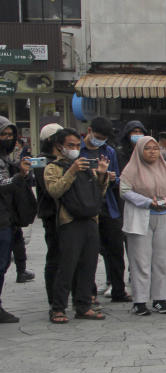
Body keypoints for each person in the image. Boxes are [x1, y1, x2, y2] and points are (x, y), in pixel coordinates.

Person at [45, 128, 111, 323]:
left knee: (88, 266)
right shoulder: (53, 168)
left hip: (90, 220)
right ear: (59, 146)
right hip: (69, 222)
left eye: (77, 145)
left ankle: (83, 305)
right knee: (67, 266)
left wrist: (101, 175)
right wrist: (71, 172)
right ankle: (58, 307)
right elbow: (55, 191)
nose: (75, 149)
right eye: (70, 145)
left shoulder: (86, 167)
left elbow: (98, 194)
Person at [119, 137, 166, 316]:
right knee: (140, 261)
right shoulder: (131, 170)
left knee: (163, 260)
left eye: (155, 148)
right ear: (139, 151)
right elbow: (124, 191)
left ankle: (160, 299)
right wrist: (147, 202)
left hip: (164, 216)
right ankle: (140, 301)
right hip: (141, 218)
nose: (153, 152)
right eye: (147, 149)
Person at [82, 117, 130, 303]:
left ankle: (118, 289)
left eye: (104, 137)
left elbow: (118, 179)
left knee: (116, 250)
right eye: (98, 136)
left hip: (109, 206)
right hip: (87, 207)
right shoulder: (78, 151)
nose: (100, 140)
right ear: (89, 130)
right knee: (89, 253)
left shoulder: (109, 151)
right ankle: (89, 293)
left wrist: (111, 178)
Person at [0, 117, 32, 323]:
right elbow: (2, 184)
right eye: (3, 134)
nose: (7, 139)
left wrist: (23, 172)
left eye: (10, 135)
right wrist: (19, 176)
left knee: (2, 265)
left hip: (7, 219)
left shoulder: (6, 158)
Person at [35, 123, 62, 307]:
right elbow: (48, 189)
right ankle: (53, 298)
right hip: (51, 213)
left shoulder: (64, 158)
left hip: (68, 214)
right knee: (54, 255)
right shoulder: (41, 161)